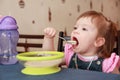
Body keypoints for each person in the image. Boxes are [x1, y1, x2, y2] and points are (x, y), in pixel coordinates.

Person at [43, 11, 120, 74]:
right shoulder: (70, 55)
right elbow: (49, 60)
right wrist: (48, 38)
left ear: (98, 42)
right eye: (75, 28)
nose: (75, 31)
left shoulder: (107, 63)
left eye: (84, 29)